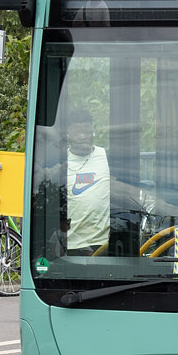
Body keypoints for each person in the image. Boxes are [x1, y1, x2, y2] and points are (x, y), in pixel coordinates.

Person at [65, 109, 112, 254]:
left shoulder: (106, 156)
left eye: (87, 131)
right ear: (68, 134)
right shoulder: (60, 163)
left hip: (104, 244)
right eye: (78, 132)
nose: (84, 136)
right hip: (72, 244)